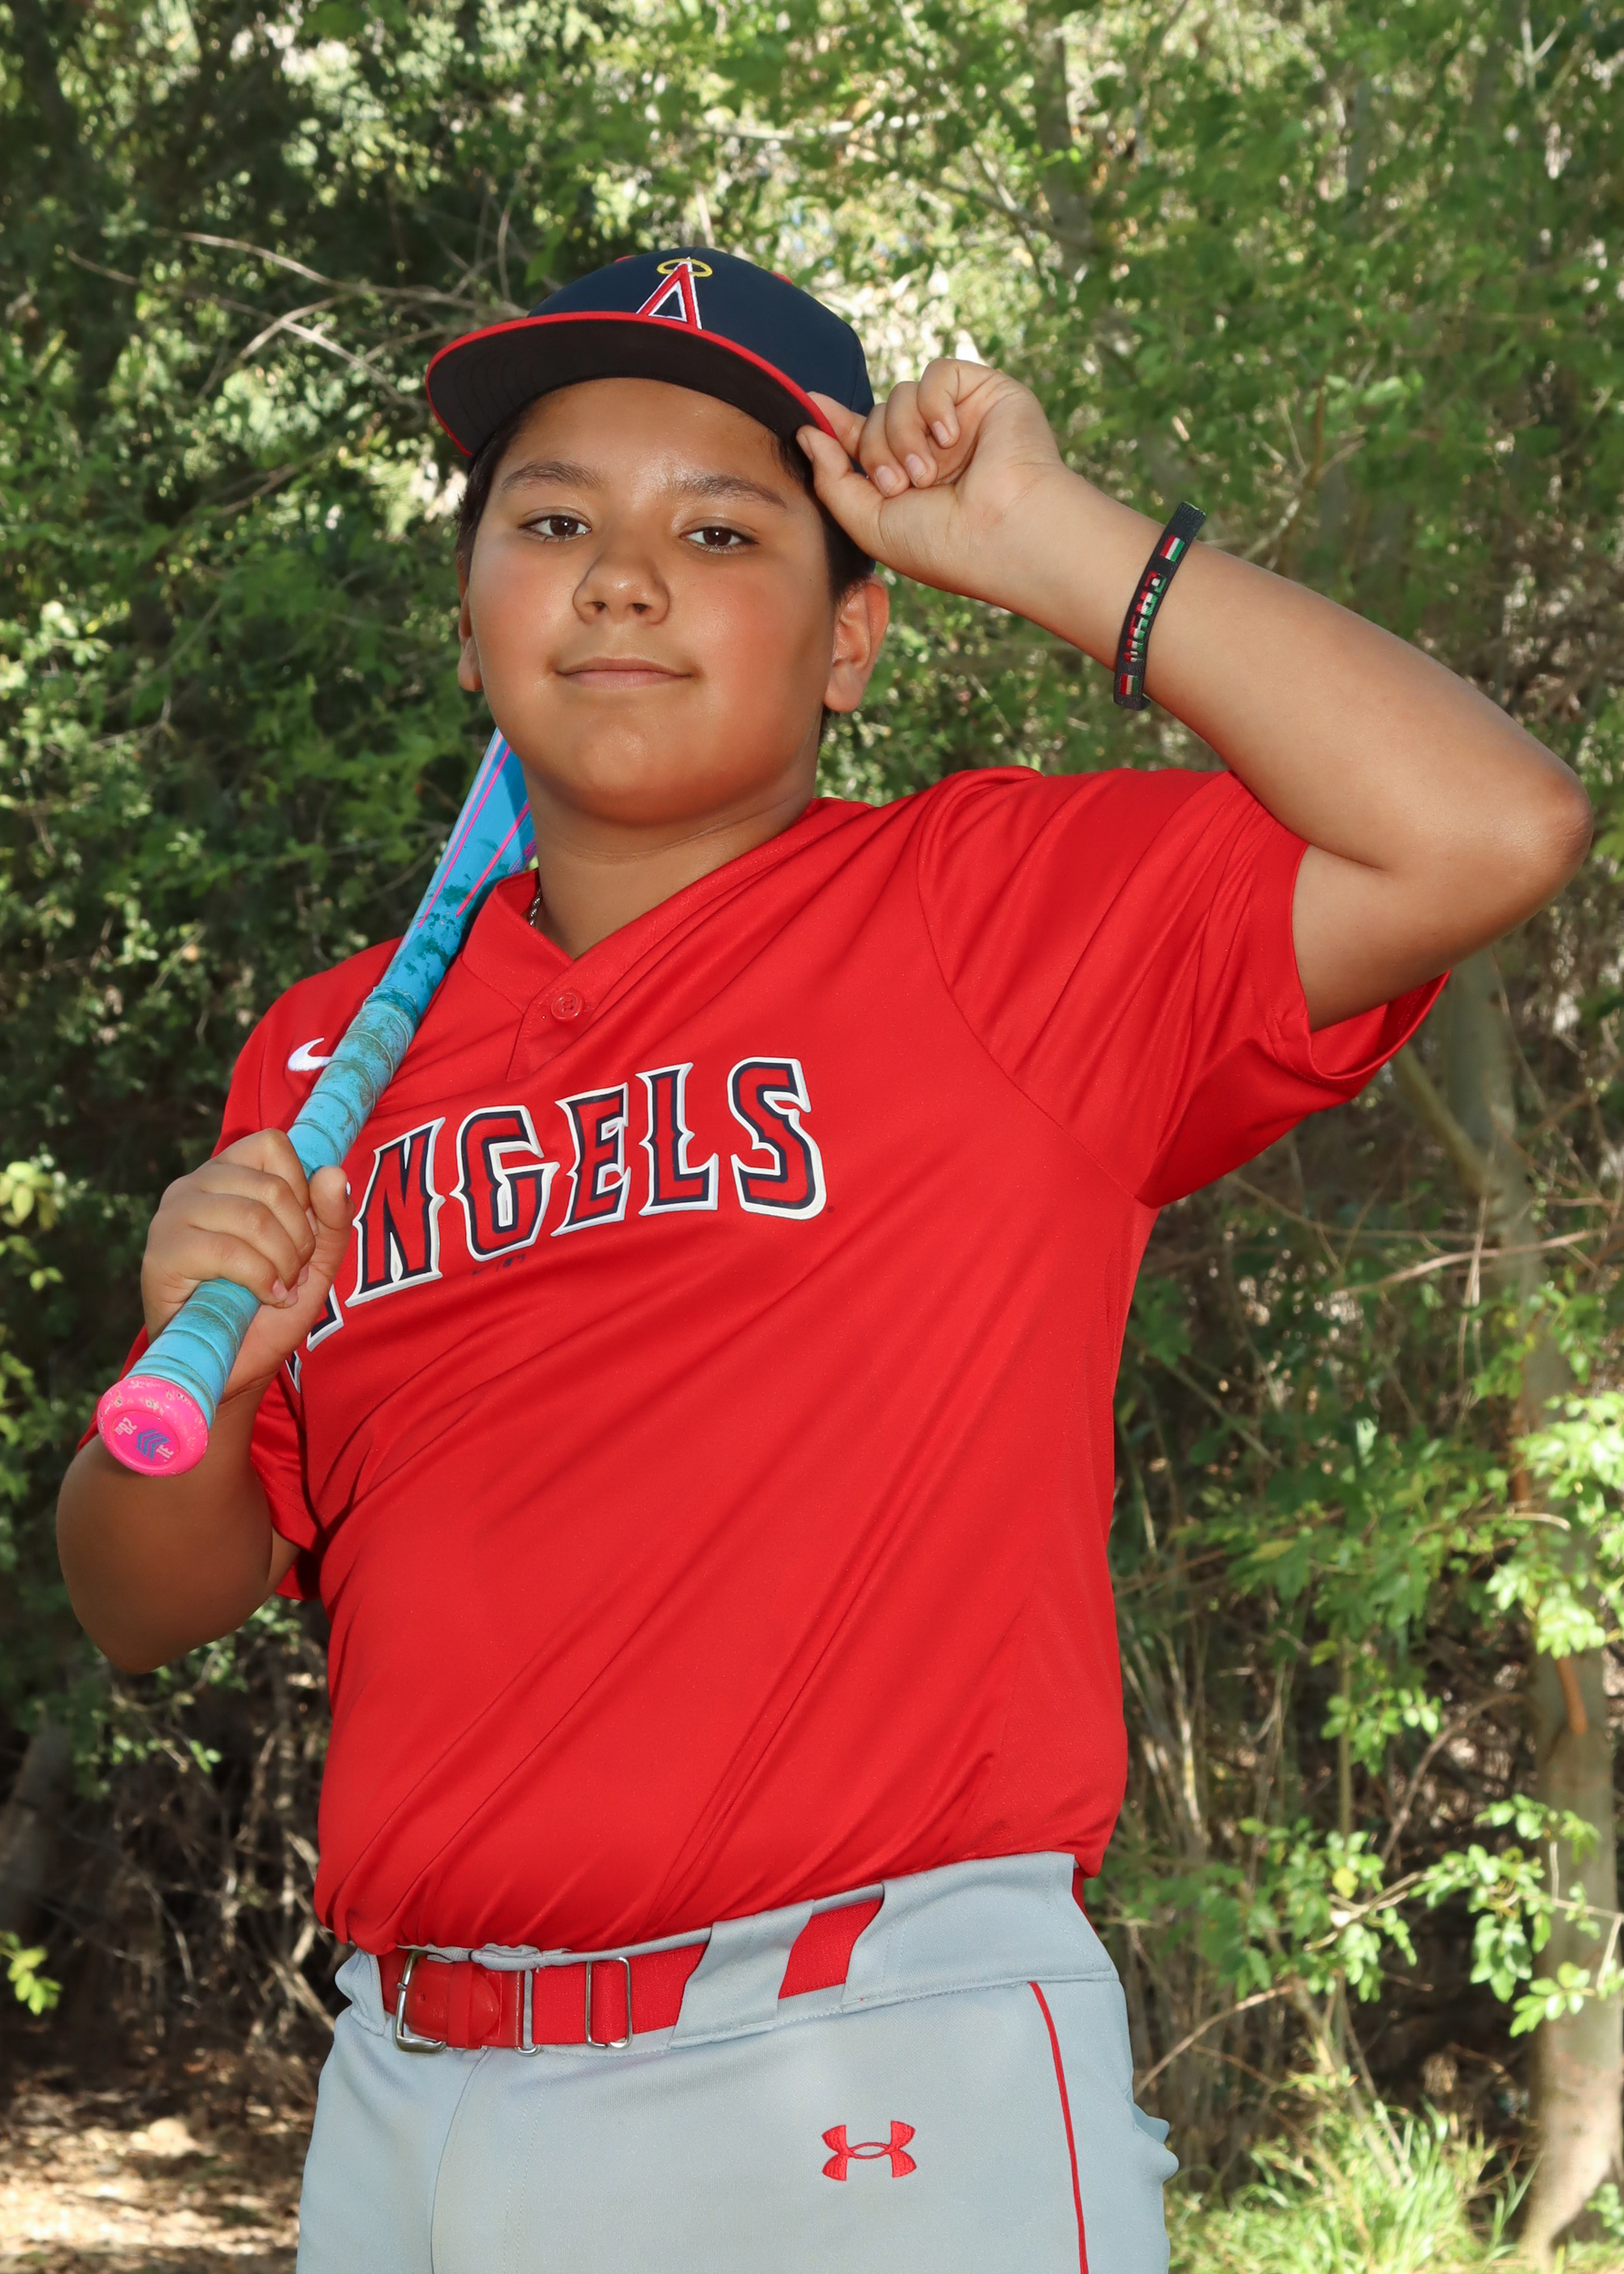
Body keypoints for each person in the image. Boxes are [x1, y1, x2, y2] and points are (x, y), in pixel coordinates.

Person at [57, 249, 1589, 2273]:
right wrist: (207, 1355)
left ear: (853, 635)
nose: (623, 581)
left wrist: (1051, 540)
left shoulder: (996, 916)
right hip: (406, 2098)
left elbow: (1488, 825)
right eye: (552, 522)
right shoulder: (331, 1058)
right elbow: (143, 1599)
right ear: (469, 622)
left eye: (719, 531)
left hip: (864, 2072)